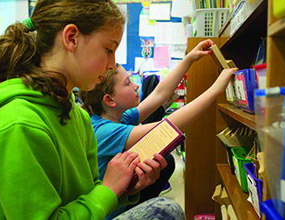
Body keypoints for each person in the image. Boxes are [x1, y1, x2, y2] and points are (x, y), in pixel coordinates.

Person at [0, 0, 184, 219]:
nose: (112, 64)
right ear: (71, 38)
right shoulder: (17, 125)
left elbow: (87, 194)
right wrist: (108, 189)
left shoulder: (76, 114)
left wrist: (123, 187)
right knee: (165, 212)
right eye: (108, 49)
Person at [81, 39, 238, 219]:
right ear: (110, 100)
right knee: (167, 210)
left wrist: (189, 59)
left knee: (166, 162)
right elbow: (167, 127)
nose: (136, 85)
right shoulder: (103, 131)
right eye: (127, 83)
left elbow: (159, 94)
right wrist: (216, 89)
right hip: (106, 214)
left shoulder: (118, 116)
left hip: (118, 203)